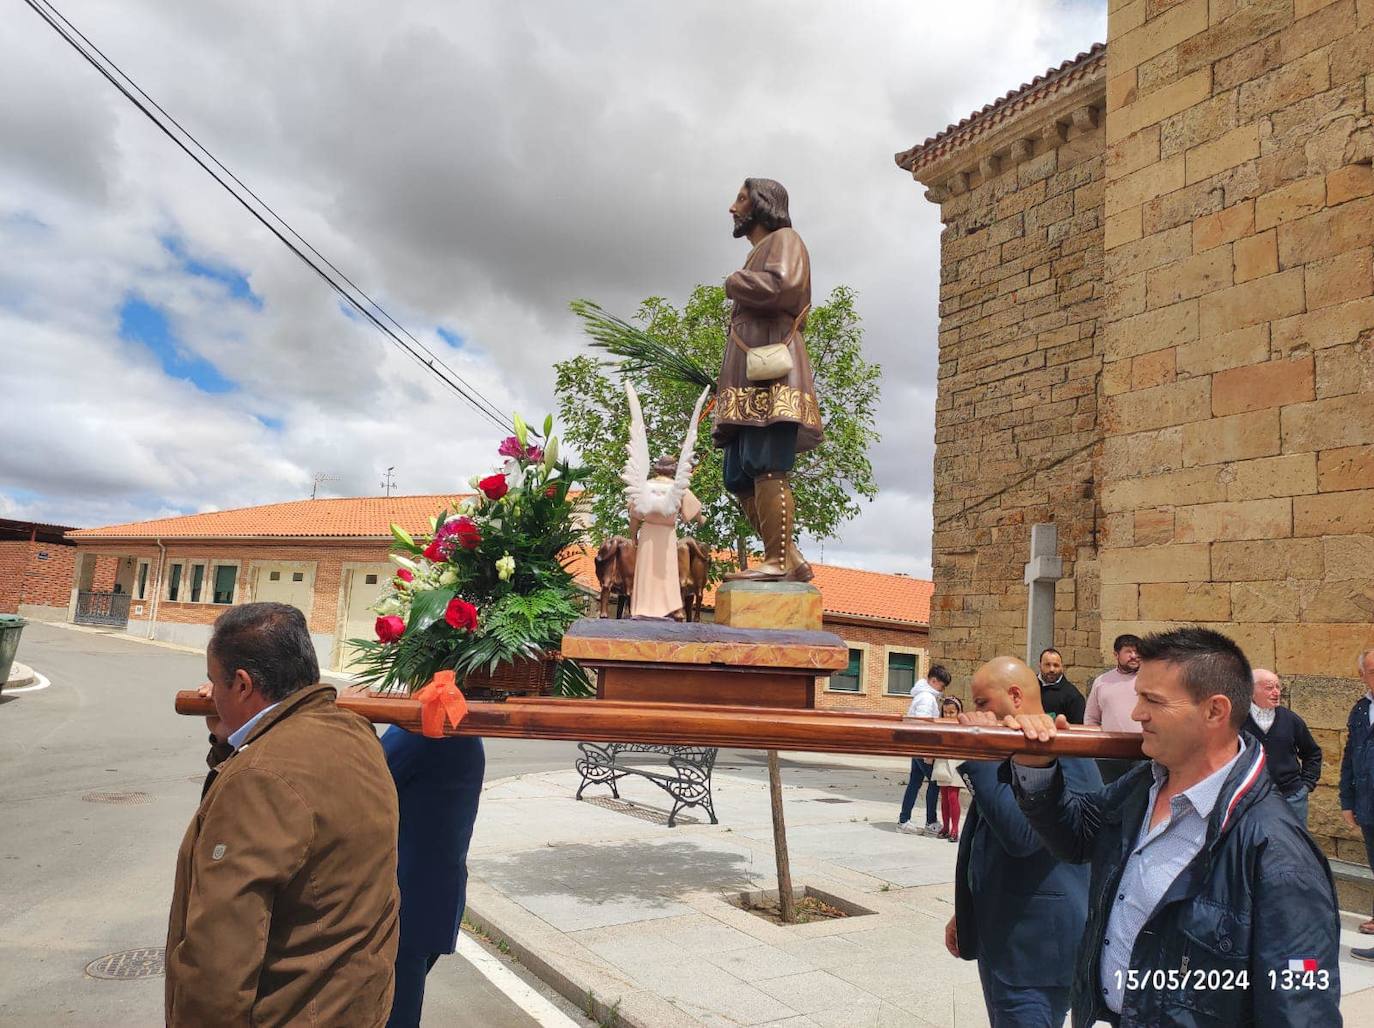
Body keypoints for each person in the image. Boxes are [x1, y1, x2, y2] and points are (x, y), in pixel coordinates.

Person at [1006, 627, 1340, 1027]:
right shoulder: (1143, 784)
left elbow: (1301, 1010)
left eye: (1152, 701)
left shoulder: (1279, 854)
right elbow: (1076, 837)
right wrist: (1034, 764)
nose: (1136, 714)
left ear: (1215, 711)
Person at [166, 603, 400, 1027]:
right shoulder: (356, 733)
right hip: (356, 1006)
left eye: (214, 680)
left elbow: (219, 958)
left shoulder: (258, 778)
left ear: (241, 684)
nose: (210, 693)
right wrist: (228, 734)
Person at [946, 656, 1099, 1027]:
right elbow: (984, 838)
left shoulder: (1064, 747)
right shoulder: (1010, 746)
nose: (975, 713)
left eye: (982, 703)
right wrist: (967, 912)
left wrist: (979, 755)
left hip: (1037, 954)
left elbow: (1023, 836)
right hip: (1002, 937)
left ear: (1015, 695)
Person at [713, 177, 822, 583]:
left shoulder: (786, 240)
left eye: (740, 199)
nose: (733, 207)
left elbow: (786, 287)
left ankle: (775, 563)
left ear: (761, 204)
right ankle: (789, 557)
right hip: (747, 379)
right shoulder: (758, 251)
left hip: (772, 378)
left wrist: (734, 282)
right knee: (738, 474)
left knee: (766, 463)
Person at [382, 730, 485, 1027]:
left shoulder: (422, 732)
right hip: (435, 895)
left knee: (394, 1014)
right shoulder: (463, 732)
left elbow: (364, 781)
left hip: (406, 902)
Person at [627, 454, 706, 619]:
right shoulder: (678, 488)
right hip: (667, 533)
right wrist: (701, 519)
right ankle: (672, 608)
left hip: (647, 532)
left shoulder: (645, 486)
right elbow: (694, 509)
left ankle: (642, 607)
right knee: (667, 572)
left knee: (646, 570)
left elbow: (634, 515)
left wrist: (633, 536)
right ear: (673, 469)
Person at [1243, 668, 1321, 826]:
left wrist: (1306, 785)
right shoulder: (1237, 721)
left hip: (1292, 798)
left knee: (1295, 847)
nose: (1276, 692)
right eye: (1269, 688)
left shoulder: (1291, 720)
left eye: (1278, 687)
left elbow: (1312, 753)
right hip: (1251, 800)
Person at [1340, 646, 1374, 944]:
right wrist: (1347, 801)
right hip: (1368, 805)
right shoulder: (1360, 709)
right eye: (1373, 671)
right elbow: (1350, 756)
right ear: (1362, 675)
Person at [898, 663, 950, 835]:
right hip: (922, 747)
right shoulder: (927, 698)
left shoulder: (921, 695)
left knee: (914, 783)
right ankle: (931, 821)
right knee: (934, 782)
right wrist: (928, 751)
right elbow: (923, 724)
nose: (942, 690)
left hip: (915, 746)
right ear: (934, 681)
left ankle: (904, 820)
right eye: (942, 686)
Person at [1084, 633, 1143, 783]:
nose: (1134, 656)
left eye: (1137, 652)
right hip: (1109, 755)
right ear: (1116, 654)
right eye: (1129, 651)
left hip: (1142, 752)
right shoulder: (1101, 682)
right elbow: (1091, 718)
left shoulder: (1149, 680)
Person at [932, 695, 965, 842]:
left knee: (953, 797)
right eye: (946, 712)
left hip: (956, 763)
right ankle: (945, 827)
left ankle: (955, 829)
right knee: (944, 797)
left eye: (952, 712)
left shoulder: (963, 726)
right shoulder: (940, 725)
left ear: (959, 712)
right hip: (942, 762)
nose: (948, 715)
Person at [1037, 646, 1085, 724]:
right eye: (1047, 665)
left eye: (1056, 665)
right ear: (1039, 665)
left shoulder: (1073, 697)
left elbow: (1077, 729)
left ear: (1062, 667)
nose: (1051, 669)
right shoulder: (1028, 687)